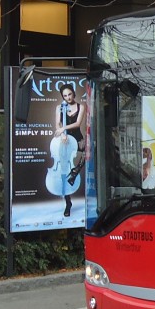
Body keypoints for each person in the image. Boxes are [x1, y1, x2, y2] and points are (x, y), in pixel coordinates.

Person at [53, 85, 87, 216]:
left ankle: (75, 171)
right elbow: (58, 124)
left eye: (70, 94)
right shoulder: (59, 107)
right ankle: (68, 203)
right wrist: (62, 134)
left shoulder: (81, 107)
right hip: (65, 139)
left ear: (74, 93)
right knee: (63, 170)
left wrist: (63, 128)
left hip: (77, 138)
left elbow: (78, 124)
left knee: (88, 151)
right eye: (65, 96)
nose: (68, 98)